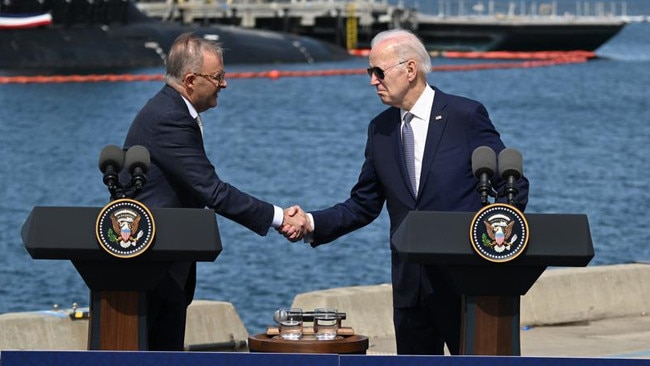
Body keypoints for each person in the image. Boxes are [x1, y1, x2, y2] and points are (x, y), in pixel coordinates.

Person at [281, 29, 529, 355]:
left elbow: (512, 187)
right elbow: (363, 204)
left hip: (466, 287)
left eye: (378, 72)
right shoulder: (380, 129)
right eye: (370, 72)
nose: (372, 80)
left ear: (410, 70)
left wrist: (495, 246)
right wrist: (311, 223)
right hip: (410, 290)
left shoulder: (464, 116)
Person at [123, 32, 307, 351]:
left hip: (164, 265)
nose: (224, 84)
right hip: (152, 269)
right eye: (218, 76)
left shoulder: (171, 110)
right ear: (191, 80)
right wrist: (279, 218)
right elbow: (213, 191)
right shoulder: (169, 118)